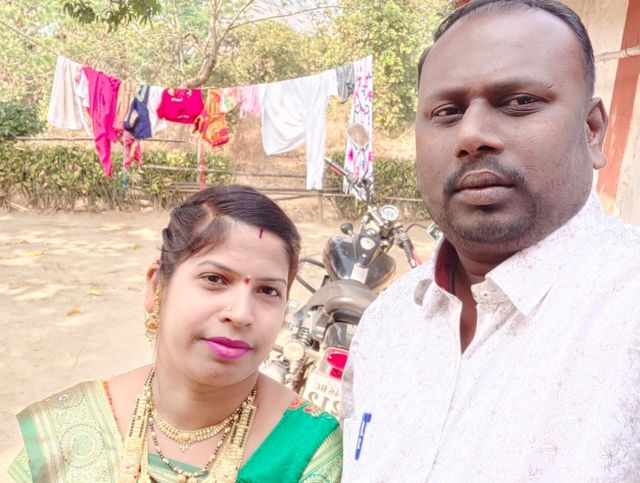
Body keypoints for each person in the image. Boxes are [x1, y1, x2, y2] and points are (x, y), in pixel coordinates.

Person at [341, 0, 640, 481]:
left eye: (519, 102)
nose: (472, 135)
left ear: (591, 131)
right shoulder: (387, 323)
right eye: (447, 111)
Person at [8, 185, 342, 482]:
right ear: (157, 287)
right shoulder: (68, 430)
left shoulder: (310, 451)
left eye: (268, 291)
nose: (241, 313)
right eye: (214, 279)